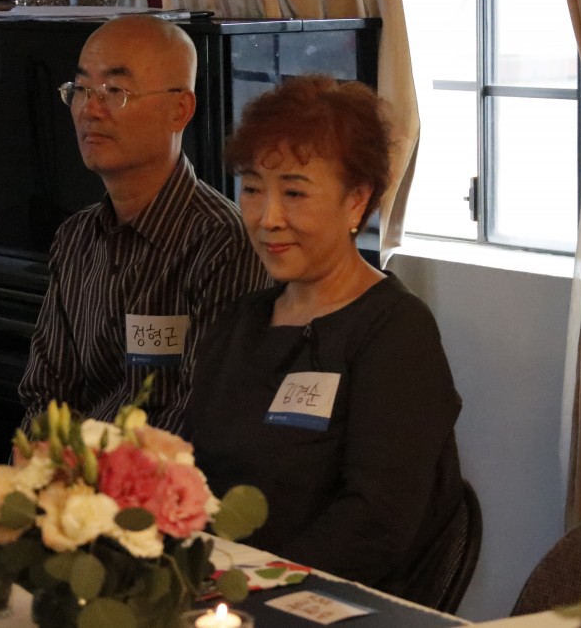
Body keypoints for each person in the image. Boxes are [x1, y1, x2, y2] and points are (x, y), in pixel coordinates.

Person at [187, 75, 464, 596]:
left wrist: (251, 585)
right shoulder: (240, 321)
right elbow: (196, 472)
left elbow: (375, 522)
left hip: (321, 603)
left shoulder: (395, 332)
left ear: (357, 201)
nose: (268, 219)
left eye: (294, 193)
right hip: (216, 589)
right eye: (252, 189)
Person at [19, 15, 269, 434]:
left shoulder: (224, 243)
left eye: (115, 91)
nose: (90, 109)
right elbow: (45, 394)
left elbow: (199, 417)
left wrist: (94, 470)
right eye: (81, 89)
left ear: (179, 110)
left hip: (159, 472)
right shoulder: (76, 237)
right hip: (72, 469)